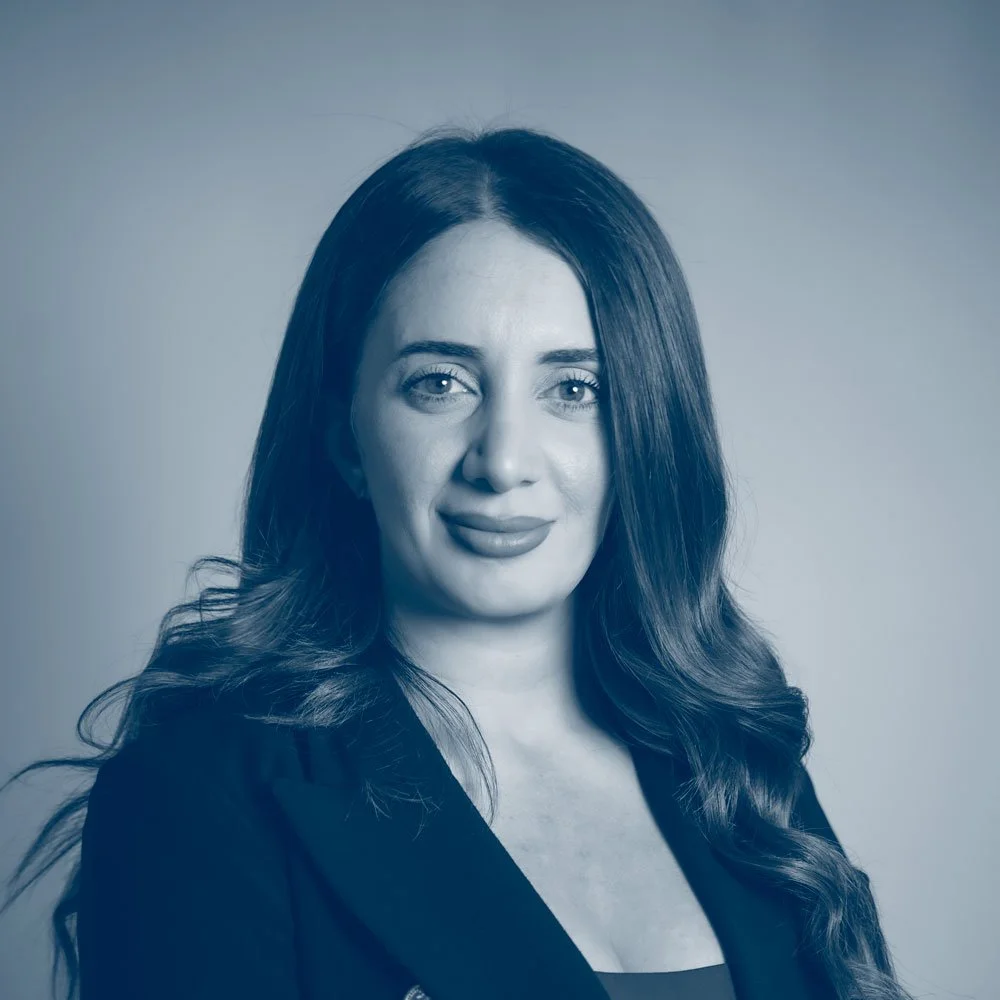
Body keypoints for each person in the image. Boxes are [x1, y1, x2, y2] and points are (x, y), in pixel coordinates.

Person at [2, 125, 914, 1000]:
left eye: (574, 388)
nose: (503, 460)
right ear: (345, 437)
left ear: (643, 432)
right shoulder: (199, 794)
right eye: (440, 383)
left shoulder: (731, 760)